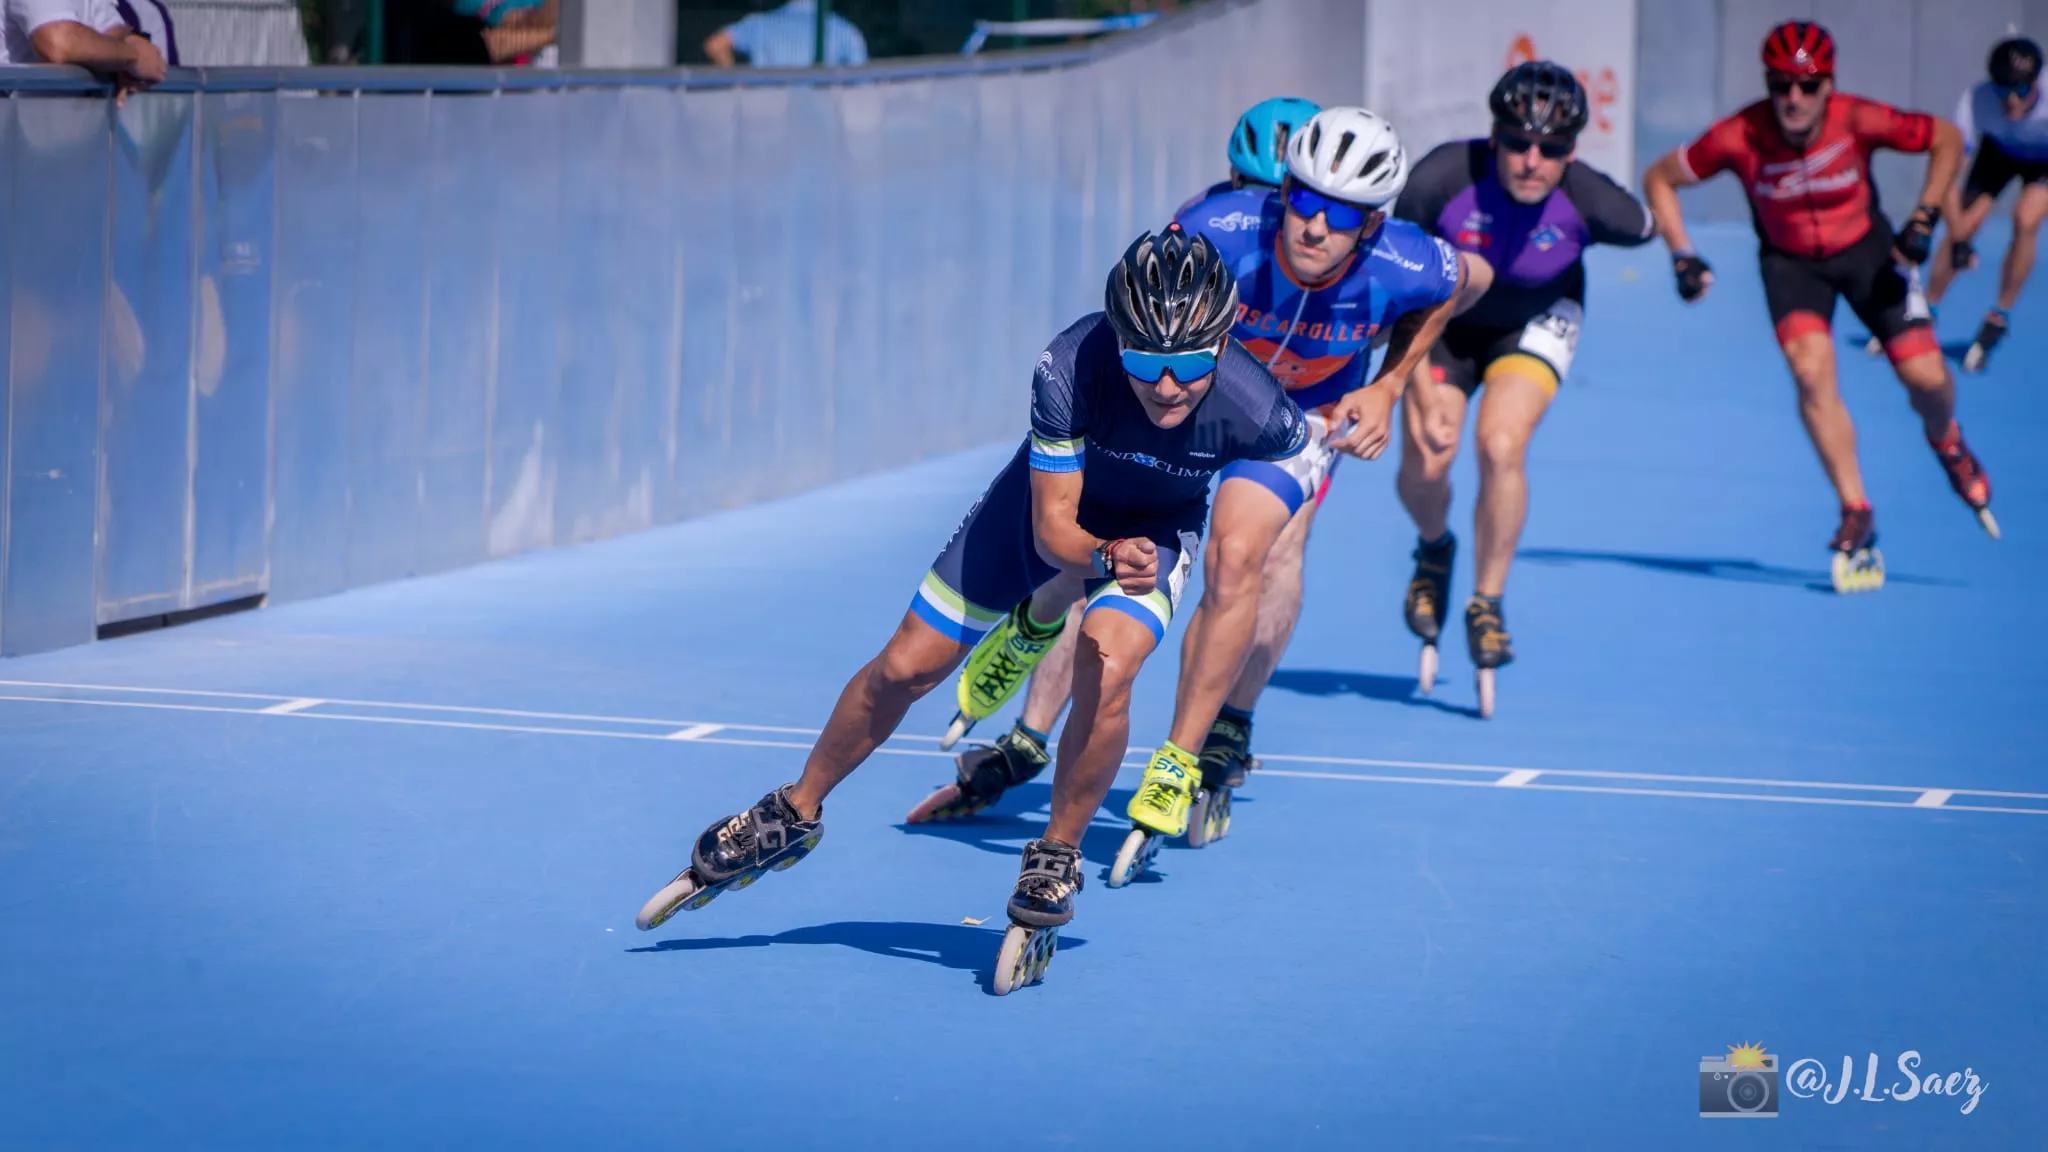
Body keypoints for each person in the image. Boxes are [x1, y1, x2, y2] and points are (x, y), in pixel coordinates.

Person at [636, 226, 1313, 989]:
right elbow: (1055, 527)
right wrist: (1099, 557)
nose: (1165, 386)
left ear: (1223, 344)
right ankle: (794, 811)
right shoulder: (1069, 363)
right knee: (905, 667)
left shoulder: (1263, 412)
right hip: (1046, 519)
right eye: (1145, 361)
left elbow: (1272, 502)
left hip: (1157, 532)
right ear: (1117, 340)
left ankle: (1057, 853)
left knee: (1110, 658)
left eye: (1188, 365)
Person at [915, 107, 1489, 860]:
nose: (1313, 227)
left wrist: (1391, 384)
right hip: (1187, 397)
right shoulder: (1217, 225)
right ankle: (1030, 718)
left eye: (1340, 214)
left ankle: (1204, 743)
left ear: (1373, 225)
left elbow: (1467, 281)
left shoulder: (1408, 262)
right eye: (1303, 201)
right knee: (1104, 545)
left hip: (1298, 420)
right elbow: (1147, 304)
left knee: (1250, 555)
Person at [1641, 20, 1997, 598]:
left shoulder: (1858, 117)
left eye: (1807, 86)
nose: (1793, 100)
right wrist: (1682, 254)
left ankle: (1946, 440)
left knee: (1926, 378)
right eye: (1781, 86)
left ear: (1828, 86)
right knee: (1810, 375)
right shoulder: (1739, 134)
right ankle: (1855, 507)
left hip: (1869, 253)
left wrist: (1926, 214)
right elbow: (1657, 178)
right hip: (1791, 266)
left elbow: (1947, 141)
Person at [1389, 61, 1657, 717]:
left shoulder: (1593, 201)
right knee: (1428, 456)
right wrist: (1418, 395)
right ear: (1494, 136)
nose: (1532, 160)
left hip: (1537, 320)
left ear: (1572, 152)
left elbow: (1650, 219)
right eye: (1517, 143)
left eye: (1553, 149)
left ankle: (1487, 601)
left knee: (1501, 444)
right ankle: (1434, 549)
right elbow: (1399, 284)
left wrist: (1686, 259)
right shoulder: (1438, 180)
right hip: (1442, 322)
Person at [1919, 35, 2048, 372]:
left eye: (2020, 92)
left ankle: (1998, 316)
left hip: (2044, 159)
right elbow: (1946, 171)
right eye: (2002, 91)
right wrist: (1960, 235)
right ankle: (1926, 309)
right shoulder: (1977, 100)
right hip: (2000, 151)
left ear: (2036, 84)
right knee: (1966, 221)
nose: (2010, 102)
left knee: (2026, 218)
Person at [1173, 96, 1321, 216]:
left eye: (1296, 196)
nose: (1268, 213)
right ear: (1234, 177)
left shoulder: (1196, 214)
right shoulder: (1194, 216)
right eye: (1256, 194)